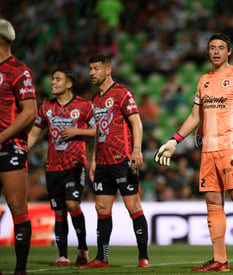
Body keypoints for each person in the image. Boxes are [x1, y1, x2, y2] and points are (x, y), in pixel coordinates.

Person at [155, 33, 233, 272]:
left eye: (221, 48)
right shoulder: (204, 80)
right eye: (212, 48)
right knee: (213, 204)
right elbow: (196, 116)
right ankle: (220, 260)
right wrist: (175, 140)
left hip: (231, 148)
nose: (216, 51)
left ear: (229, 52)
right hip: (208, 150)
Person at [81, 54, 149, 268]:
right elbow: (98, 131)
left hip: (122, 160)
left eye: (96, 68)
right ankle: (102, 257)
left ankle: (143, 256)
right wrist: (93, 160)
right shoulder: (95, 99)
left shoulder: (122, 93)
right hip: (102, 162)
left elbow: (136, 122)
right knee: (101, 208)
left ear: (107, 70)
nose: (92, 73)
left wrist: (137, 149)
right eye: (90, 69)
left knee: (133, 206)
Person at [27, 69, 95, 267]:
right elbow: (34, 134)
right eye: (52, 78)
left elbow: (99, 129)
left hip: (75, 165)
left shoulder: (84, 106)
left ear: (68, 84)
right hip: (52, 167)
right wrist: (22, 151)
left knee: (72, 205)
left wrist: (78, 131)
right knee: (58, 212)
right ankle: (63, 256)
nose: (52, 82)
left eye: (58, 79)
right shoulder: (46, 107)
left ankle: (82, 249)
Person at [0, 19, 37, 275]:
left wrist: (1, 137)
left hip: (10, 146)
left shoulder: (18, 70)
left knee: (17, 207)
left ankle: (20, 271)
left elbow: (30, 112)